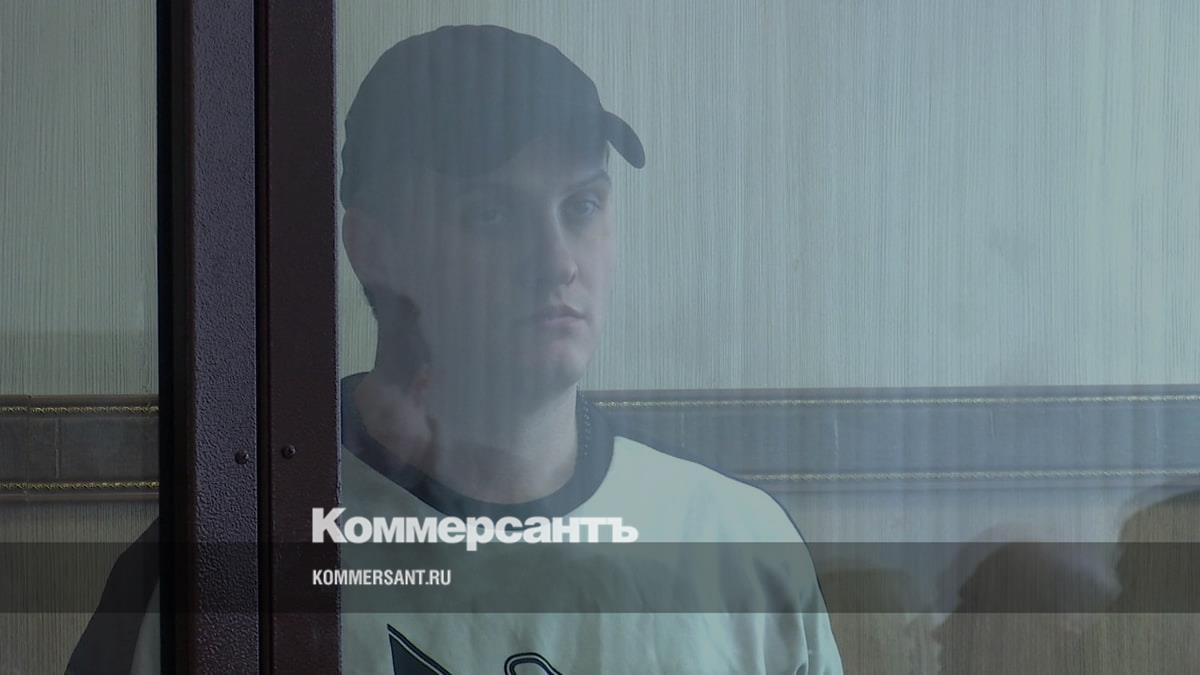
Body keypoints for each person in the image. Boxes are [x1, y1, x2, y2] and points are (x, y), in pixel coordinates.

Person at [334, 25, 842, 673]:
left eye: (582, 205)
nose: (556, 264)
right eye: (489, 214)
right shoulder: (261, 529)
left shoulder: (735, 543)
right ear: (375, 248)